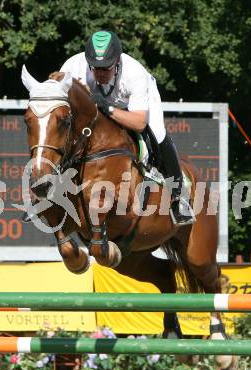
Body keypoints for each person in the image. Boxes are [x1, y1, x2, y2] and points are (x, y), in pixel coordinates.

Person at [23, 30, 194, 225]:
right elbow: (56, 102)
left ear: (117, 62)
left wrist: (106, 107)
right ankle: (40, 196)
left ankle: (179, 196)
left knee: (158, 132)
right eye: (95, 68)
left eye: (106, 68)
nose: (100, 73)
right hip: (95, 105)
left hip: (132, 107)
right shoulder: (73, 67)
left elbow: (139, 123)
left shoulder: (135, 74)